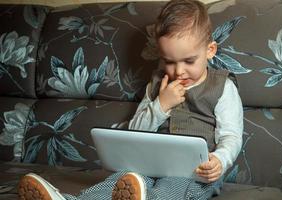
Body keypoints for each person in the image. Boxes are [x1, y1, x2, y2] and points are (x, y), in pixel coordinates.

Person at [18, 0, 243, 199]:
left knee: (173, 188)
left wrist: (220, 161)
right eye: (169, 61)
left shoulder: (222, 87)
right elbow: (135, 130)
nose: (178, 71)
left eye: (189, 61)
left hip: (195, 173)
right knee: (123, 179)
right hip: (150, 165)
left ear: (210, 50)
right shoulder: (157, 84)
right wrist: (160, 106)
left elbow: (231, 136)